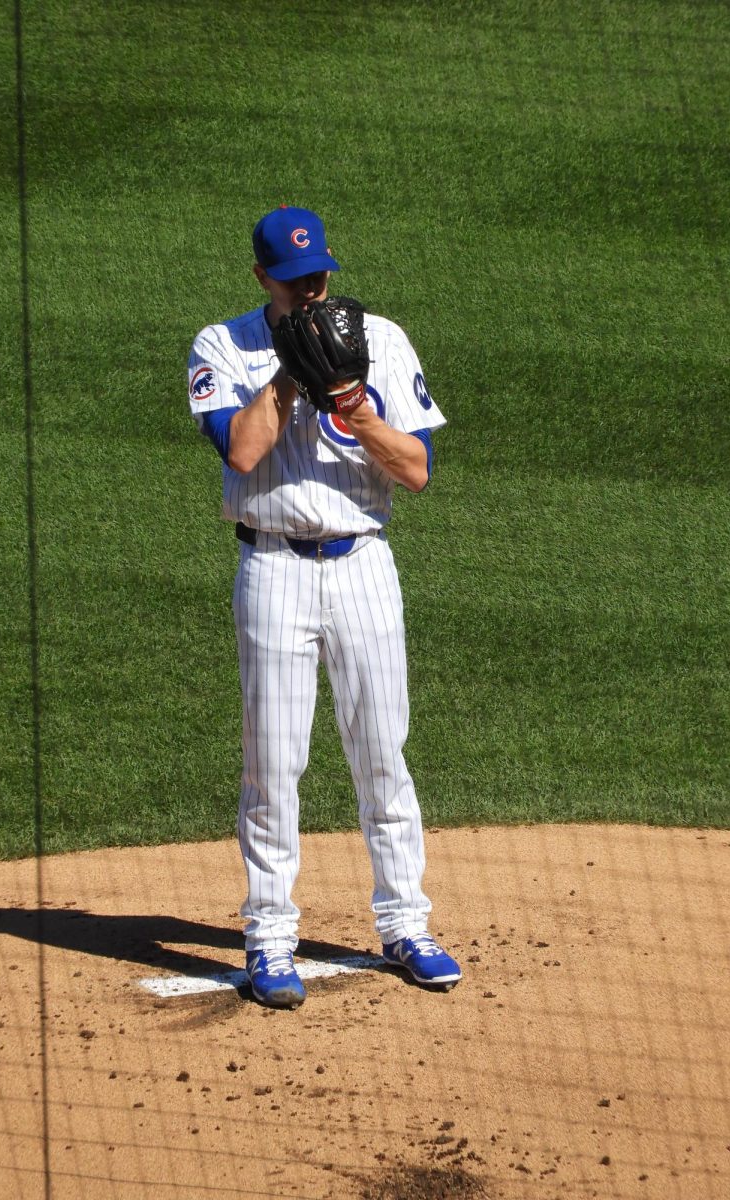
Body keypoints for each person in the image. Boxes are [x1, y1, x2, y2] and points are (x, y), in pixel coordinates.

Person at [187, 205, 461, 1008]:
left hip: (364, 566)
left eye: (321, 275)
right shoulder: (221, 345)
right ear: (261, 277)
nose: (313, 290)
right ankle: (270, 938)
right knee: (273, 766)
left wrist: (352, 400)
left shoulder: (384, 338)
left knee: (383, 755)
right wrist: (288, 371)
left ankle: (406, 923)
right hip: (272, 570)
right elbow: (240, 449)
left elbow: (416, 470)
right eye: (295, 278)